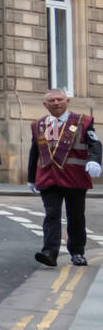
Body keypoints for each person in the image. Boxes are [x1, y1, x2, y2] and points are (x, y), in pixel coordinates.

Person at [28, 89, 101, 267]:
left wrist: (95, 161)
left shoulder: (83, 122)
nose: (56, 103)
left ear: (67, 101)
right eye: (51, 100)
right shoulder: (39, 125)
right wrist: (31, 178)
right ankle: (50, 252)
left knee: (75, 216)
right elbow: (34, 152)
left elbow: (95, 143)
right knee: (51, 215)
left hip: (74, 178)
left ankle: (77, 252)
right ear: (45, 105)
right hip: (48, 178)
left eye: (59, 99)